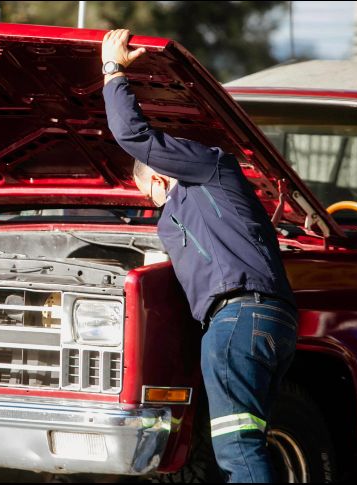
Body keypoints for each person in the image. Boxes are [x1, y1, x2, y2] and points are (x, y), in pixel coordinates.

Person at [101, 29, 299, 483]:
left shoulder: (210, 168)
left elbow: (132, 134)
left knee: (237, 449)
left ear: (157, 178)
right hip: (270, 319)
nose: (151, 203)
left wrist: (112, 72)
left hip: (237, 320)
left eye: (146, 193)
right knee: (249, 441)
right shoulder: (195, 207)